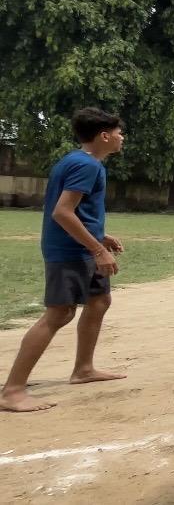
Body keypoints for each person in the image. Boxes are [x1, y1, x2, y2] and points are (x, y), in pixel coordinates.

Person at [2, 108, 128, 412]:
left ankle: (83, 369)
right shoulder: (86, 165)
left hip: (81, 246)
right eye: (119, 133)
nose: (122, 138)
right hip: (69, 252)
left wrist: (100, 237)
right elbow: (62, 212)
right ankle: (12, 391)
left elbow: (77, 211)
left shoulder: (83, 162)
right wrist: (98, 251)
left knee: (99, 300)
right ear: (104, 135)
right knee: (59, 313)